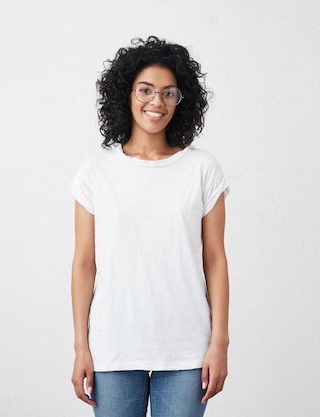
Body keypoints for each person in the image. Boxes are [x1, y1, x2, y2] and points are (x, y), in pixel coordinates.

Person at [70, 36, 230, 417]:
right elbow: (84, 264)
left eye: (169, 93)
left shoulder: (202, 169)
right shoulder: (95, 171)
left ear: (181, 100)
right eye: (146, 90)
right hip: (114, 345)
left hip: (188, 346)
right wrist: (81, 347)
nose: (157, 102)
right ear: (126, 94)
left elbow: (215, 260)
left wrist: (220, 341)